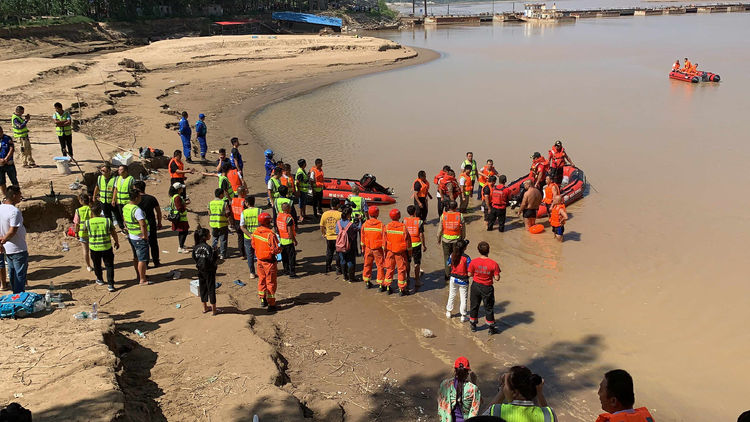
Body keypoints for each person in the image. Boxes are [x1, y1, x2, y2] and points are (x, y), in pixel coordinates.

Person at [483, 366, 555, 420]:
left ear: (514, 392)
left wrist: (502, 392)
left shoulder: (496, 411)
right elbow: (547, 413)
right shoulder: (549, 414)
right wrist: (539, 393)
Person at [85, 201, 119, 292]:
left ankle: (100, 279)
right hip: (106, 246)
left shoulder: (88, 222)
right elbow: (113, 232)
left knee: (97, 265)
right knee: (109, 265)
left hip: (94, 248)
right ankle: (110, 284)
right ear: (100, 211)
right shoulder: (107, 221)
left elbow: (84, 232)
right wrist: (116, 242)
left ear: (92, 212)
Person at [468, 241, 501, 335]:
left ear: (478, 250)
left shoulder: (473, 262)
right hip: (487, 287)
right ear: (488, 250)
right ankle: (491, 328)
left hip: (475, 286)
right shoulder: (493, 263)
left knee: (474, 305)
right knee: (489, 307)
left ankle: (473, 325)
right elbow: (497, 278)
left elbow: (469, 274)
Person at [0, 186, 28, 293]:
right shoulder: (14, 211)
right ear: (14, 196)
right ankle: (19, 296)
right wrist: (3, 240)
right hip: (18, 248)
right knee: (19, 276)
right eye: (19, 195)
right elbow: (12, 231)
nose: (21, 197)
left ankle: (15, 296)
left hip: (8, 249)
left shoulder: (1, 208)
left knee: (12, 274)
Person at [437, 357, 481, 422]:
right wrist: (474, 382)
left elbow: (441, 406)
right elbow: (477, 406)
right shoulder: (473, 389)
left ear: (455, 370)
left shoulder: (445, 385)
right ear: (467, 372)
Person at [252, 212, 280, 312]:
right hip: (269, 262)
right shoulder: (270, 234)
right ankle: (271, 304)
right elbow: (275, 250)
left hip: (260, 261)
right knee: (270, 283)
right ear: (268, 222)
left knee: (262, 280)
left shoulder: (256, 232)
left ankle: (263, 300)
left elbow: (253, 245)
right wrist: (280, 249)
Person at [123, 188, 150, 285]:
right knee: (142, 259)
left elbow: (124, 220)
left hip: (132, 236)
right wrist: (145, 236)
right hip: (139, 237)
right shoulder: (137, 210)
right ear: (136, 198)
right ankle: (142, 279)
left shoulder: (126, 207)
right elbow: (143, 224)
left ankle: (139, 275)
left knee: (136, 257)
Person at [383, 208, 411, 296]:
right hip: (400, 253)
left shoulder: (386, 227)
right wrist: (410, 254)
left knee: (389, 269)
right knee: (401, 270)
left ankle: (388, 287)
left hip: (390, 252)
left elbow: (384, 242)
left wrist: (385, 253)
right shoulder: (403, 227)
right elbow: (408, 243)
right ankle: (401, 289)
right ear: (399, 216)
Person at [134, 181, 162, 268]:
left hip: (140, 225)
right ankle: (156, 261)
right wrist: (159, 222)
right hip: (151, 224)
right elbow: (158, 212)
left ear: (137, 189)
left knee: (144, 245)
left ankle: (145, 263)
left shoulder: (135, 201)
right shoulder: (152, 198)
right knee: (153, 244)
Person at [192, 227, 219, 315]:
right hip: (209, 271)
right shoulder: (208, 248)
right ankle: (214, 309)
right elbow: (212, 260)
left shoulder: (196, 247)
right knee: (211, 289)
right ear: (205, 237)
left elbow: (194, 258)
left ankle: (205, 307)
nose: (210, 235)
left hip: (200, 270)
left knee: (203, 288)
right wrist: (216, 252)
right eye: (208, 234)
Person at [437, 200, 465, 281]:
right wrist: (462, 238)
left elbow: (440, 229)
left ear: (448, 207)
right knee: (456, 257)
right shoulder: (460, 216)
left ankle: (447, 275)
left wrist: (438, 238)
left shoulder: (443, 216)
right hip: (456, 241)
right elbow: (463, 230)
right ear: (456, 207)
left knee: (446, 257)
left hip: (445, 241)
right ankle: (455, 274)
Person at [446, 240, 470, 321]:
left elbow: (448, 264)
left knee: (452, 295)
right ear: (465, 248)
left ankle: (448, 312)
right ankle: (463, 316)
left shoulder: (452, 255)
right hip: (463, 280)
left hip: (453, 278)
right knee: (463, 298)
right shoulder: (467, 258)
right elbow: (470, 270)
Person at [361, 206, 385, 289]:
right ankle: (381, 284)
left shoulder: (365, 224)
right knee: (380, 266)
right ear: (377, 214)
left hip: (368, 248)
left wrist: (363, 249)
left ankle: (367, 282)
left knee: (367, 265)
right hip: (378, 249)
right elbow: (384, 239)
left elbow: (362, 238)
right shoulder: (381, 225)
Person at [404, 205, 426, 291]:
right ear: (415, 212)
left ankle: (407, 277)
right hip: (416, 244)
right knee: (417, 263)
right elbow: (421, 235)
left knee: (407, 262)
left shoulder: (404, 221)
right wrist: (424, 245)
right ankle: (417, 281)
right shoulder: (419, 221)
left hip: (407, 245)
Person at [335, 207, 360, 283]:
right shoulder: (351, 224)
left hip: (340, 245)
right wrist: (359, 221)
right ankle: (351, 278)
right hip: (350, 245)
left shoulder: (338, 223)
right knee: (350, 261)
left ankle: (345, 277)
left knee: (343, 260)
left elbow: (337, 232)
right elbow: (359, 228)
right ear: (349, 215)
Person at [320, 198, 342, 274]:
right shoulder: (340, 214)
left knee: (329, 252)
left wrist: (324, 234)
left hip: (329, 237)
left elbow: (321, 226)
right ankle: (338, 268)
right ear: (338, 205)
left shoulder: (325, 214)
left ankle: (328, 266)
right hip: (338, 237)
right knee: (338, 253)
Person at [240, 195, 260, 279]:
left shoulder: (244, 212)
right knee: (260, 255)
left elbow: (242, 227)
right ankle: (261, 271)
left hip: (248, 238)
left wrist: (250, 235)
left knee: (250, 256)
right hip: (259, 237)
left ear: (247, 203)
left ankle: (252, 273)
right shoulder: (259, 211)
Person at [277, 202, 298, 278]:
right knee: (291, 258)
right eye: (290, 207)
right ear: (288, 209)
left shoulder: (279, 216)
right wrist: (294, 240)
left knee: (284, 257)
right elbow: (290, 231)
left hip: (282, 240)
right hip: (288, 241)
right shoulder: (288, 218)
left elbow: (278, 228)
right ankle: (292, 273)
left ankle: (286, 271)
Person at [208, 188, 231, 259]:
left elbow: (209, 213)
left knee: (215, 238)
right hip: (222, 224)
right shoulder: (223, 203)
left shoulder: (210, 203)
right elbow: (227, 213)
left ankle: (214, 252)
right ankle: (222, 254)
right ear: (221, 195)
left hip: (213, 224)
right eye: (223, 194)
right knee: (223, 239)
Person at [74, 193, 93, 272]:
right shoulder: (91, 209)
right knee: (93, 250)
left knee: (85, 251)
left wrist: (76, 232)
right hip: (92, 232)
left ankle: (88, 266)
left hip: (82, 233)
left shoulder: (78, 210)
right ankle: (96, 264)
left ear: (81, 201)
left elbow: (76, 223)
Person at [169, 182, 190, 253]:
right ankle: (180, 247)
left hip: (179, 218)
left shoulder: (175, 196)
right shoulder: (177, 197)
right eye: (181, 188)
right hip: (181, 218)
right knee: (184, 232)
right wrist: (185, 206)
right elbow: (179, 208)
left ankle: (181, 245)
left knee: (182, 232)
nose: (182, 189)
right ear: (178, 189)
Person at [111, 165, 134, 230]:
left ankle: (130, 228)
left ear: (126, 171)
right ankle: (125, 228)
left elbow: (133, 190)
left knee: (128, 215)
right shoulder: (118, 178)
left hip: (128, 202)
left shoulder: (131, 179)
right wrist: (113, 199)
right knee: (122, 215)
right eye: (118, 170)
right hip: (120, 202)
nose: (119, 171)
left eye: (121, 170)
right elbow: (116, 189)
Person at [0, 126, 19, 198]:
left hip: (9, 163)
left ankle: (18, 195)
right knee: (1, 182)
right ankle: (6, 196)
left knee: (14, 180)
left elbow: (11, 149)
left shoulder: (7, 138)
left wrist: (6, 159)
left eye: (1, 132)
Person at [231, 186, 248, 259]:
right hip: (243, 221)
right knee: (246, 237)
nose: (246, 192)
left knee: (240, 238)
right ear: (242, 192)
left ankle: (242, 254)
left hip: (236, 221)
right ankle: (247, 253)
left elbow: (231, 211)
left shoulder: (233, 200)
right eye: (245, 191)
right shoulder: (244, 201)